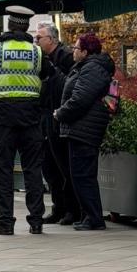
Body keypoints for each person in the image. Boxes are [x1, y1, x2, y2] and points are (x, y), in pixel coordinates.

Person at [0, 6, 54, 235]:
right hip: (31, 117)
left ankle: (6, 222)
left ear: (10, 25)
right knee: (33, 170)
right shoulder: (36, 53)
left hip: (3, 118)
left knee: (4, 170)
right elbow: (49, 74)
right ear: (26, 26)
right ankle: (36, 221)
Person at [53, 32, 115, 231]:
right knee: (81, 174)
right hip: (82, 128)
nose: (73, 51)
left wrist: (60, 113)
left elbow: (80, 99)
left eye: (77, 48)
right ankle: (89, 215)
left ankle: (94, 218)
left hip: (85, 129)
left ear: (86, 52)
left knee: (83, 175)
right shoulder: (87, 67)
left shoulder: (92, 69)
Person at [35, 21, 79, 226]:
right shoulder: (41, 59)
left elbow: (69, 86)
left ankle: (71, 209)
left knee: (63, 164)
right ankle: (58, 207)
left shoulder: (65, 57)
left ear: (51, 39)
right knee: (48, 166)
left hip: (58, 116)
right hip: (44, 115)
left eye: (39, 37)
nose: (35, 40)